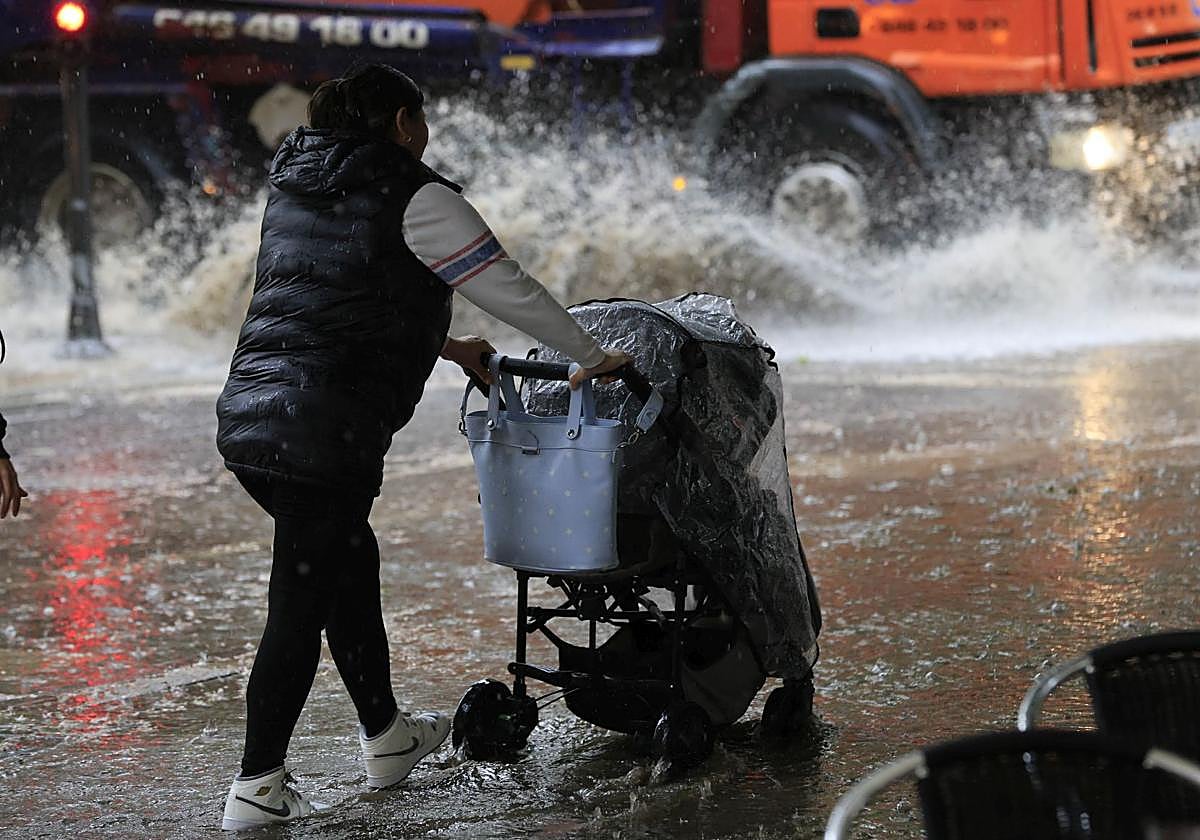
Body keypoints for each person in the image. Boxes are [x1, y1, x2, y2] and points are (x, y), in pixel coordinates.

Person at [214, 63, 630, 831]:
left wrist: (446, 344)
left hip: (253, 419)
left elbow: (334, 292)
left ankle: (388, 739)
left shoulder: (299, 185)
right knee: (298, 604)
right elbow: (506, 283)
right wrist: (591, 353)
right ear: (404, 123)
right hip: (321, 434)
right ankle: (257, 785)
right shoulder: (417, 193)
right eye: (423, 121)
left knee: (344, 563)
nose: (427, 135)